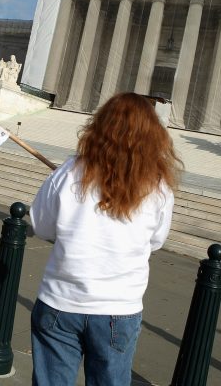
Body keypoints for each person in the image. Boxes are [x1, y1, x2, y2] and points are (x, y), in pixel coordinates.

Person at [29, 93, 181, 386]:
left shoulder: (69, 172)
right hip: (118, 307)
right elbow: (156, 240)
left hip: (61, 300)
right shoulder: (159, 187)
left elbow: (42, 226)